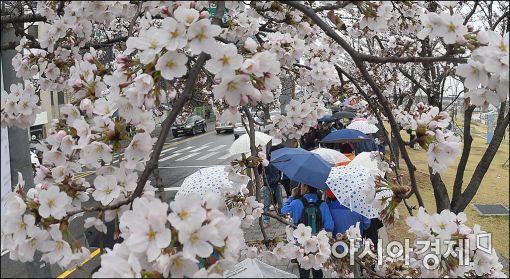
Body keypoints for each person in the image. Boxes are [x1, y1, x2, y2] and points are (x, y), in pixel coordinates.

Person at [281, 184, 334, 278]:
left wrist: (292, 197)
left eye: (302, 185)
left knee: (303, 268)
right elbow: (330, 226)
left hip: (300, 242)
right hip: (317, 241)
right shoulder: (323, 204)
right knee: (317, 269)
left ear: (306, 188)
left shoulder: (296, 202)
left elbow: (283, 211)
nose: (300, 188)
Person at [262, 152, 283, 227]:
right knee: (266, 203)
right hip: (267, 185)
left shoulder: (278, 162)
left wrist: (279, 180)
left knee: (280, 201)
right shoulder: (264, 162)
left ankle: (281, 216)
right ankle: (266, 220)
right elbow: (259, 171)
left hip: (277, 184)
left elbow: (280, 172)